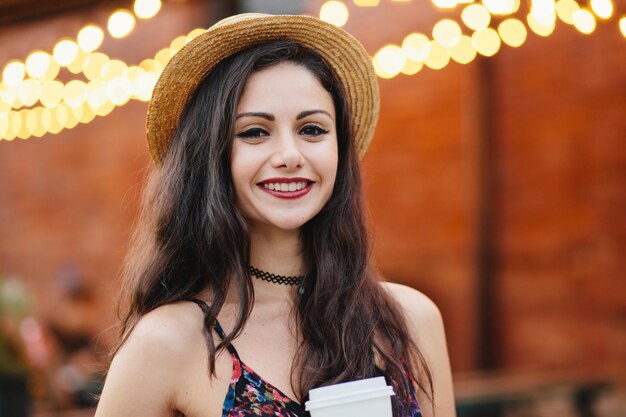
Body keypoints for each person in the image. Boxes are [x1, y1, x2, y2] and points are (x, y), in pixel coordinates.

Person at [95, 13, 455, 417]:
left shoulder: (410, 321)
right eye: (254, 132)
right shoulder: (167, 343)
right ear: (211, 156)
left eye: (313, 130)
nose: (289, 155)